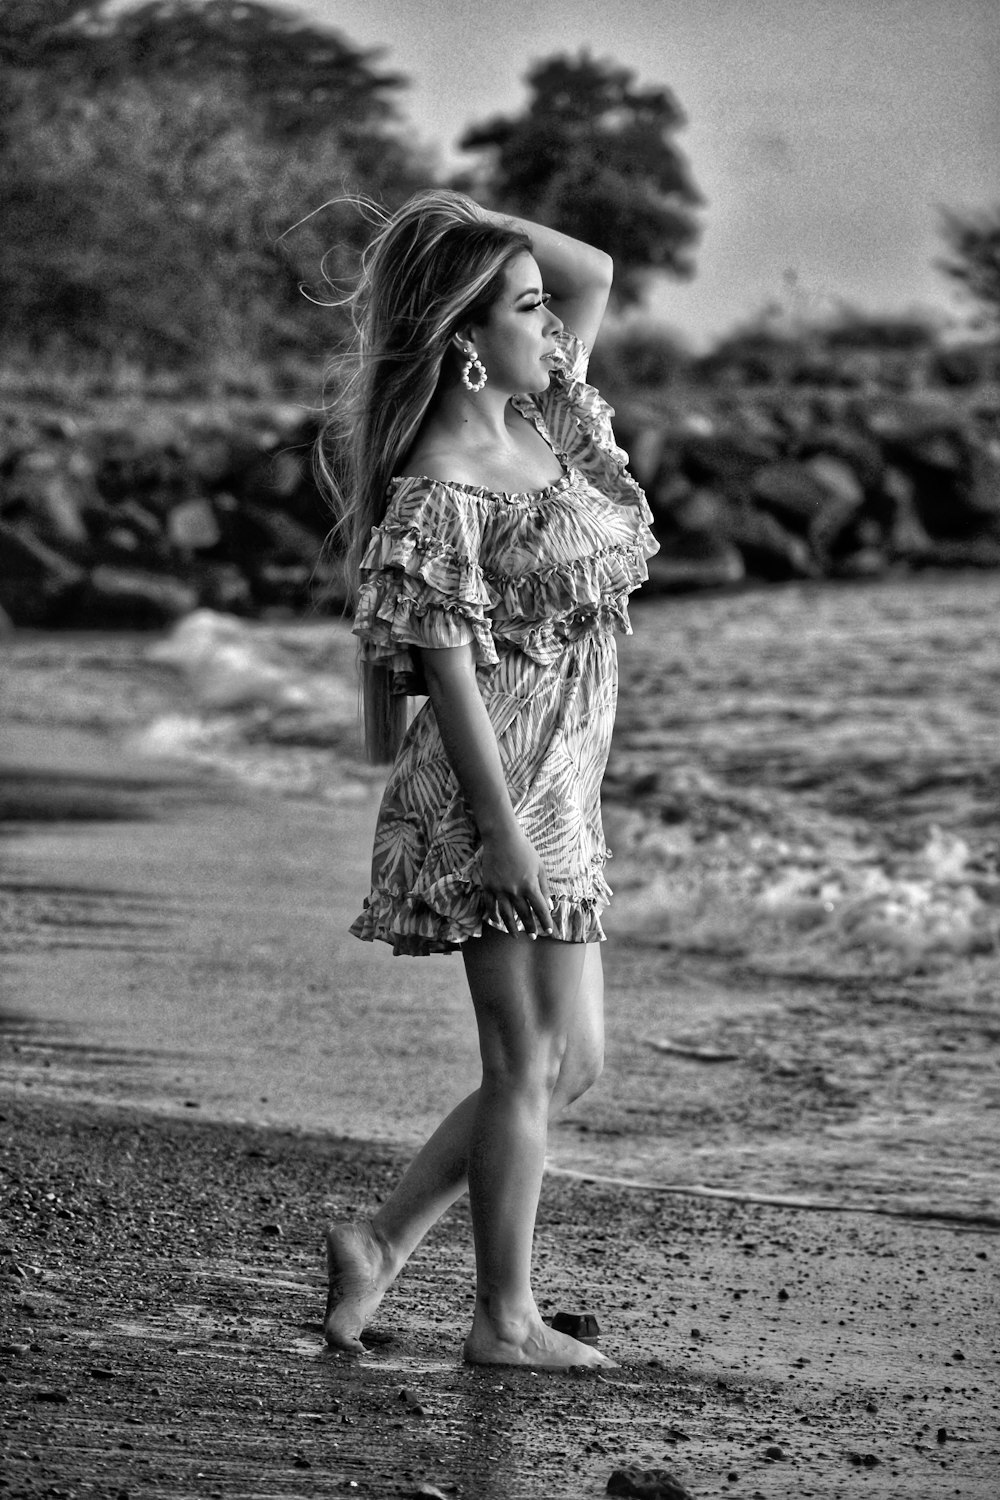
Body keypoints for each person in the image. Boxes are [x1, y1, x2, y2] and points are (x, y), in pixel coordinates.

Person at [316, 189, 657, 1369]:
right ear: (468, 338)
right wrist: (501, 831)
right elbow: (448, 674)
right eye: (524, 307)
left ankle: (382, 1237)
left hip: (563, 790)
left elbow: (596, 267)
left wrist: (452, 220)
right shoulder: (444, 477)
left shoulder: (550, 422)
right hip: (495, 794)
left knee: (577, 1064)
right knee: (522, 1066)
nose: (553, 324)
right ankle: (503, 1320)